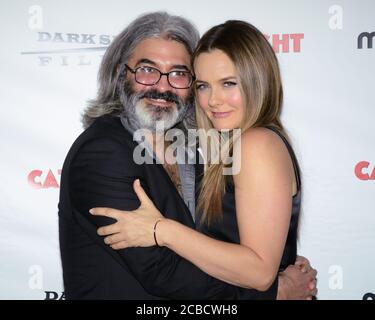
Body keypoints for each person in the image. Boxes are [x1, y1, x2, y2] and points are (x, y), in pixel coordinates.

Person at [59, 12, 316, 299]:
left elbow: (243, 259)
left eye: (179, 74)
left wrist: (161, 229)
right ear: (121, 74)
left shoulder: (220, 148)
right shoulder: (103, 152)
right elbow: (162, 271)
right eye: (147, 69)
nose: (162, 85)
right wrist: (276, 292)